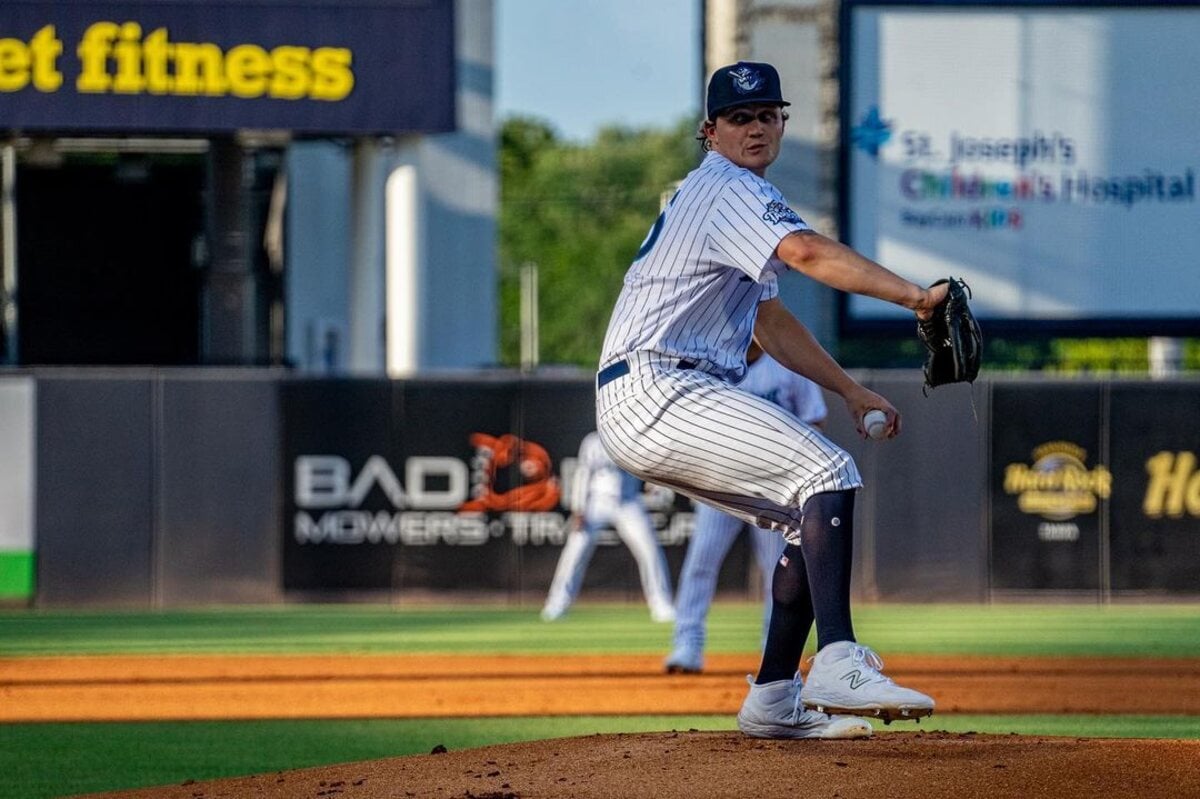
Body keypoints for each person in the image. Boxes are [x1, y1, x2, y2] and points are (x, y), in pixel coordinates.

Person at [594, 61, 943, 739]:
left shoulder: (722, 197)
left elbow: (769, 320)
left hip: (656, 391)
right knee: (828, 473)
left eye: (766, 115)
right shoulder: (727, 190)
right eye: (738, 118)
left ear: (782, 122)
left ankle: (773, 698)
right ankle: (838, 657)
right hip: (659, 383)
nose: (754, 127)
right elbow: (807, 251)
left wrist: (846, 388)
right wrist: (917, 298)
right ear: (710, 131)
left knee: (803, 516)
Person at [665, 339, 827, 674]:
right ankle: (687, 645)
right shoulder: (713, 363)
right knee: (700, 563)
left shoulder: (788, 362)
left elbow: (814, 418)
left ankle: (774, 652)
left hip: (772, 487)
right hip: (719, 483)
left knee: (778, 571)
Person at [540, 431, 676, 623]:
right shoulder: (593, 441)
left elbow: (650, 468)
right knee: (575, 550)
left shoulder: (635, 439)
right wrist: (578, 508)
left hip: (628, 502)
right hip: (597, 502)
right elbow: (582, 473)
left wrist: (653, 483)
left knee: (650, 551)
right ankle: (556, 605)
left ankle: (661, 605)